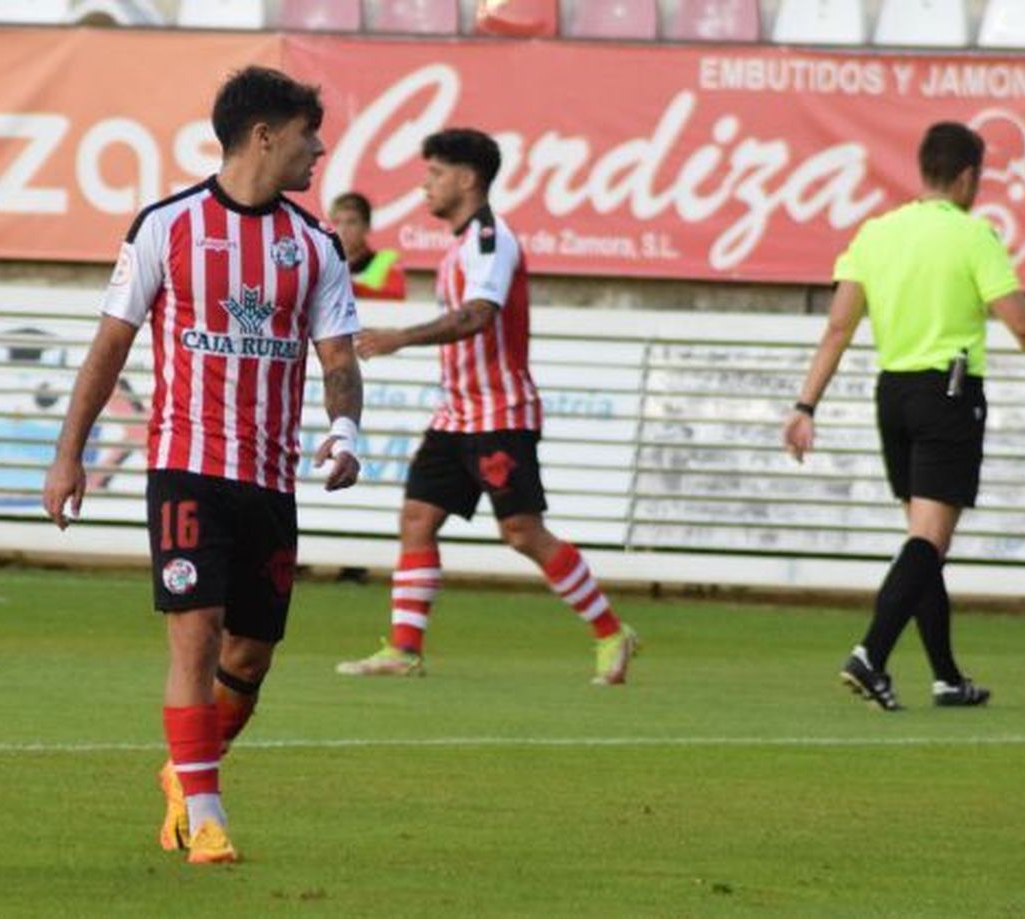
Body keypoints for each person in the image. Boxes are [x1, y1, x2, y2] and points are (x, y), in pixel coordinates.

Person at [42, 66, 363, 865]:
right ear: (264, 135)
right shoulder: (166, 225)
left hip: (269, 476)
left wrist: (347, 427)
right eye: (307, 134)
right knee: (196, 634)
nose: (319, 149)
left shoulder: (315, 246)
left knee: (248, 656)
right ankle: (207, 815)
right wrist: (68, 453)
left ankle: (185, 774)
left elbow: (339, 355)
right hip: (185, 467)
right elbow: (110, 343)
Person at [784, 121, 1025, 712]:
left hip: (892, 394)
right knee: (929, 540)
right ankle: (870, 654)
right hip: (947, 394)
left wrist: (805, 406)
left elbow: (838, 327)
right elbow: (1022, 323)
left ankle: (947, 677)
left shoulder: (874, 234)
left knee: (924, 542)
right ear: (969, 175)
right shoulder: (973, 236)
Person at [335, 128, 639, 685]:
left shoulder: (490, 241)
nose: (425, 185)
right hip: (456, 414)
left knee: (523, 532)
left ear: (467, 179)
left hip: (500, 413)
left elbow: (479, 314)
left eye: (435, 174)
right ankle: (404, 650)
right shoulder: (459, 244)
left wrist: (401, 336)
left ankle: (611, 632)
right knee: (417, 519)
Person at [329, 191, 407, 300]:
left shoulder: (387, 260)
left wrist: (350, 287)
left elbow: (396, 297)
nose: (343, 230)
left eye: (351, 222)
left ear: (367, 226)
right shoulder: (324, 264)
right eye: (337, 222)